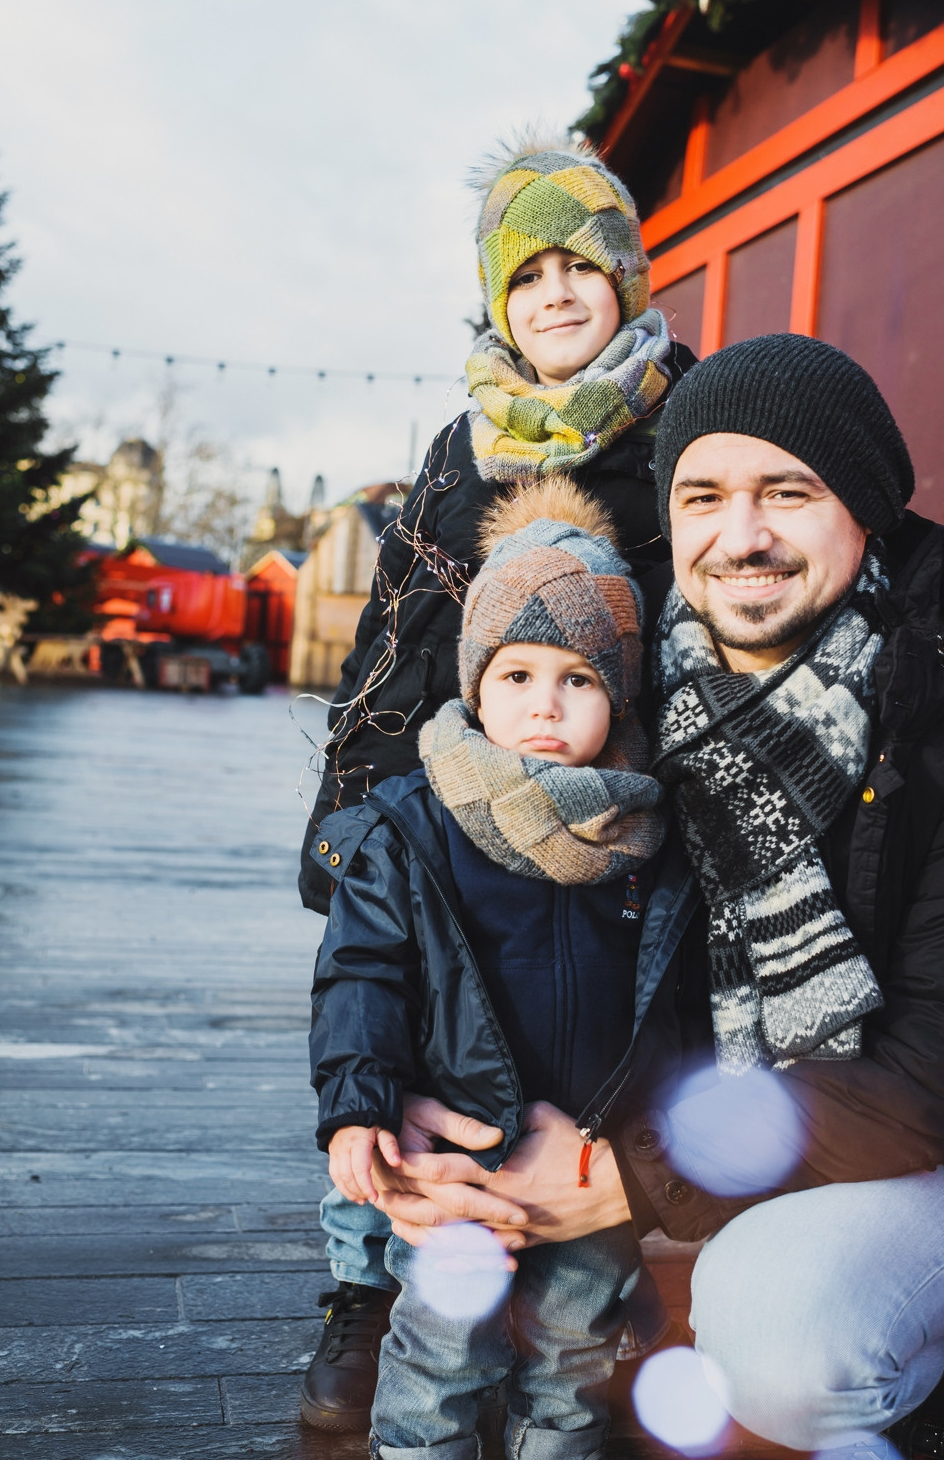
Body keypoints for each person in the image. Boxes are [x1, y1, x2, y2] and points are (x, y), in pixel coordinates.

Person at [298, 133, 944, 1432]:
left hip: (898, 1145)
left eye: (786, 494)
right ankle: (369, 1300)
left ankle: (875, 1354)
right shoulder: (606, 676)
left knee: (780, 1349)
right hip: (566, 947)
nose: (739, 532)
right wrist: (432, 1084)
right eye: (705, 500)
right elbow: (400, 682)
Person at [309, 478, 697, 1460]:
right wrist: (358, 1102)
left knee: (570, 1376)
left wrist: (647, 1137)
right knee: (441, 1363)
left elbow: (678, 997)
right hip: (461, 1166)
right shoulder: (412, 827)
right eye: (516, 676)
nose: (545, 706)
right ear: (474, 684)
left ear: (618, 692)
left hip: (587, 1166)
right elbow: (361, 974)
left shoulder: (644, 832)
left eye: (579, 679)